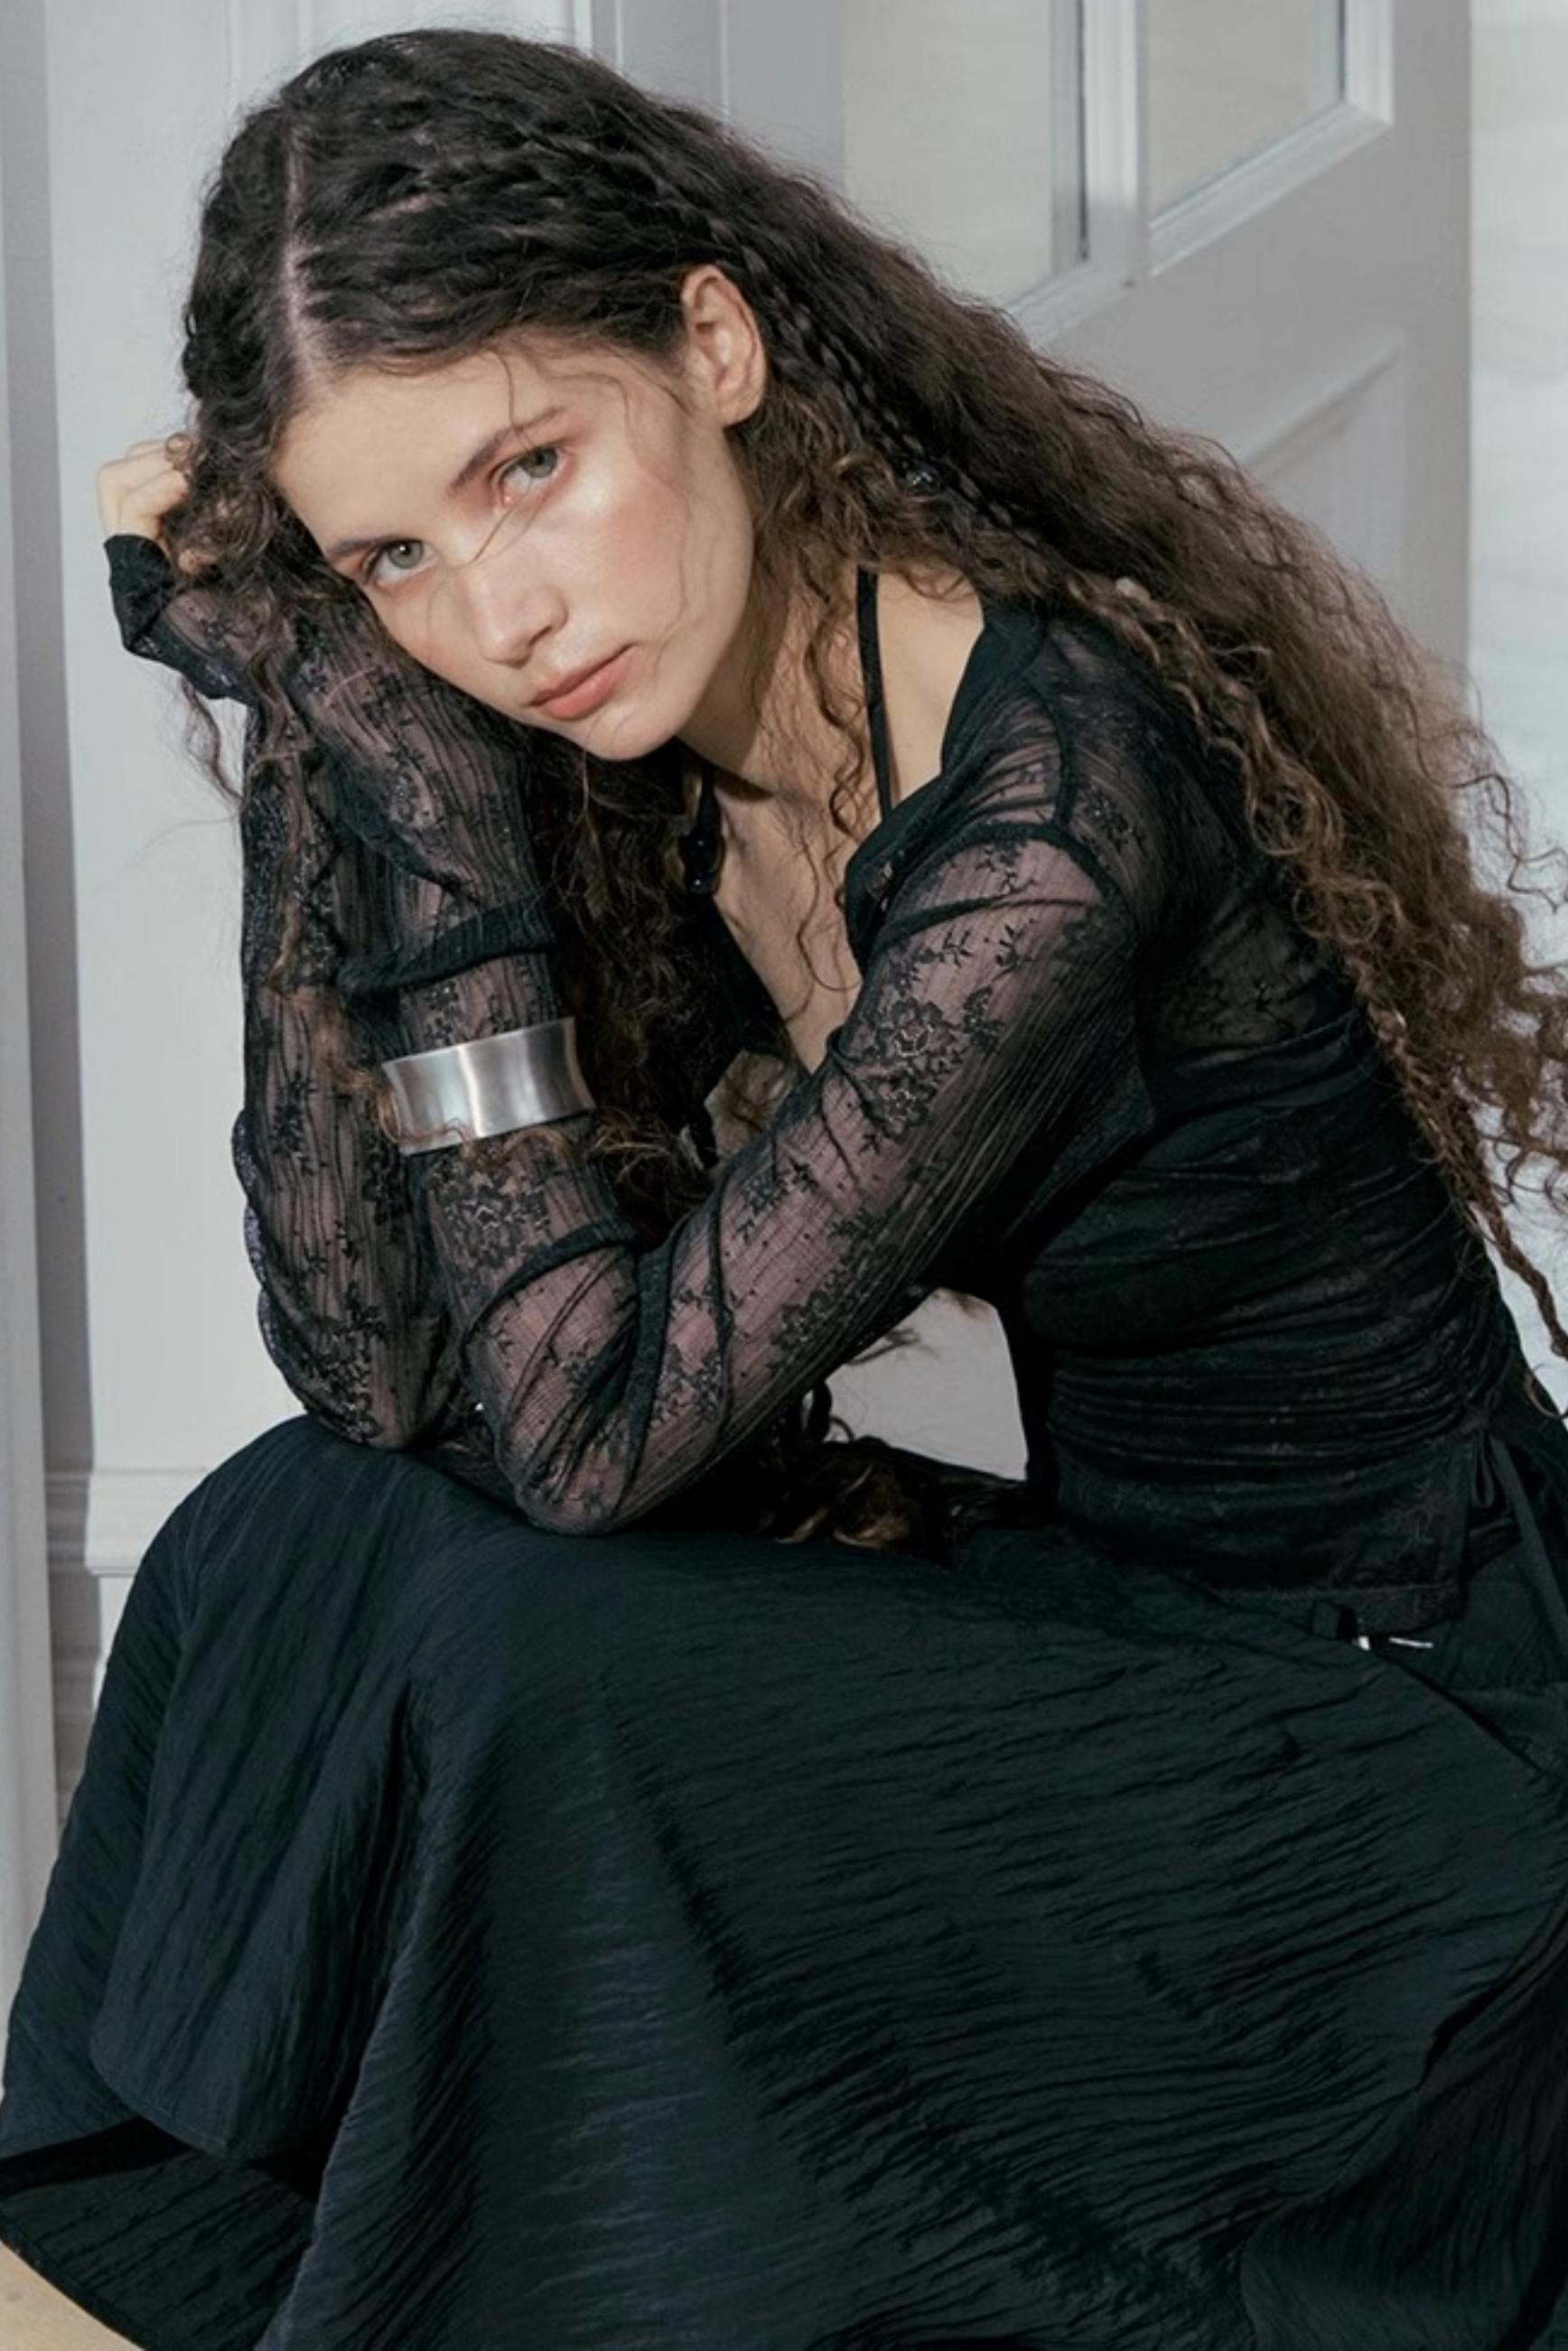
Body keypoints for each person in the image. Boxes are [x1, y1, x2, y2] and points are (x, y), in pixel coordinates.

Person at [3, 24, 1568, 2348]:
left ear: (713, 345)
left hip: (1384, 1756)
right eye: (392, 558)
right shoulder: (644, 724)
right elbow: (376, 1365)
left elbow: (586, 1437)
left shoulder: (1056, 811)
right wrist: (337, 752)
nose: (499, 619)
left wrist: (419, 811)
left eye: (531, 469)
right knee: (293, 1532)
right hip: (1101, 1606)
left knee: (536, 1659)